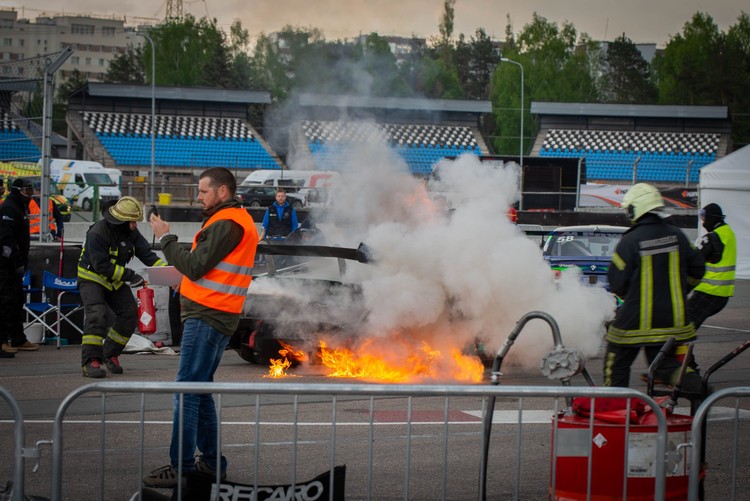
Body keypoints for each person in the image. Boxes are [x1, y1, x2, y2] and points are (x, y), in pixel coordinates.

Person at [144, 167, 258, 488]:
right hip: (215, 313)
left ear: (222, 192)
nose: (198, 196)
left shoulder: (227, 222)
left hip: (208, 315)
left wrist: (166, 237)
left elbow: (195, 266)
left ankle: (181, 467)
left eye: (203, 191)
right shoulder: (231, 220)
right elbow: (206, 269)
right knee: (200, 388)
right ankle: (210, 464)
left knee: (187, 390)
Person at [603, 183, 705, 393]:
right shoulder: (678, 235)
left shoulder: (629, 240)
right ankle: (698, 388)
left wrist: (632, 296)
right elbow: (698, 269)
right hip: (673, 322)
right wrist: (679, 291)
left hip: (634, 322)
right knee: (665, 365)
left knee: (616, 362)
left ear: (634, 209)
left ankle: (615, 408)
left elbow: (616, 283)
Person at [77, 195, 167, 378]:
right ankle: (91, 361)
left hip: (114, 280)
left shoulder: (131, 232)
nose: (135, 225)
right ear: (120, 221)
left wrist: (168, 273)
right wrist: (130, 275)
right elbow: (101, 266)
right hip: (92, 278)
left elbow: (146, 254)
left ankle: (110, 353)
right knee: (97, 314)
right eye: (132, 221)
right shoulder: (97, 233)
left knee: (129, 314)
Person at [0, 178, 41, 356]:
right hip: (6, 266)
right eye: (27, 190)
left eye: (31, 191)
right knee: (5, 302)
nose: (30, 195)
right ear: (17, 190)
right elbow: (6, 239)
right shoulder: (9, 208)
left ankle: (18, 338)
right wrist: (15, 261)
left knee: (17, 301)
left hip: (17, 265)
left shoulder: (20, 207)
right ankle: (1, 341)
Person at [688, 203, 736, 329]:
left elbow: (694, 260)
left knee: (684, 324)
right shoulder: (729, 233)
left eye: (704, 217)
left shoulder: (712, 237)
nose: (703, 221)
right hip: (723, 294)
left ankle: (678, 348)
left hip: (708, 291)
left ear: (712, 218)